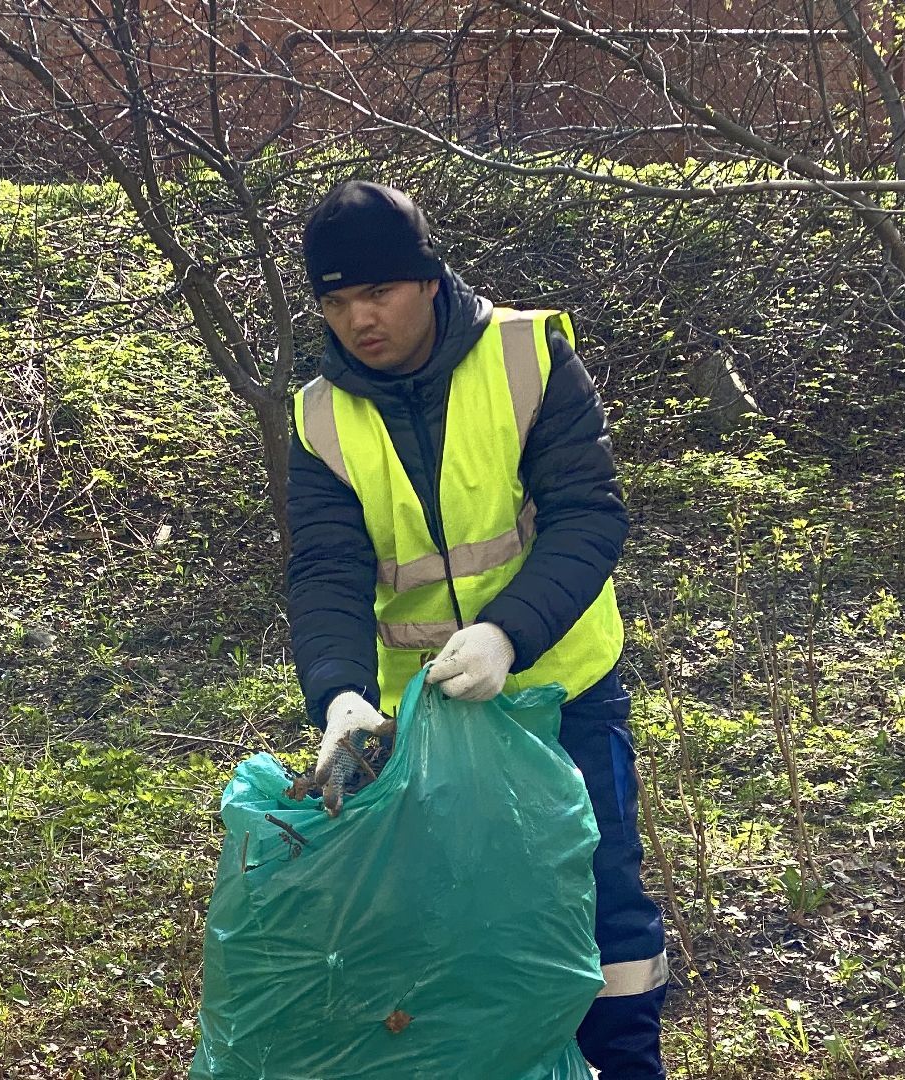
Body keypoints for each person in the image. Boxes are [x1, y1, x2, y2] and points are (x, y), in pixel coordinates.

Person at [287, 182, 669, 1077]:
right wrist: (339, 694)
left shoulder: (527, 357)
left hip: (560, 693)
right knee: (465, 917)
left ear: (426, 279)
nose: (358, 320)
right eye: (336, 302)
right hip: (423, 722)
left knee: (600, 907)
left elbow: (588, 516)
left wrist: (507, 633)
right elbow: (327, 570)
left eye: (377, 292)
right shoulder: (320, 415)